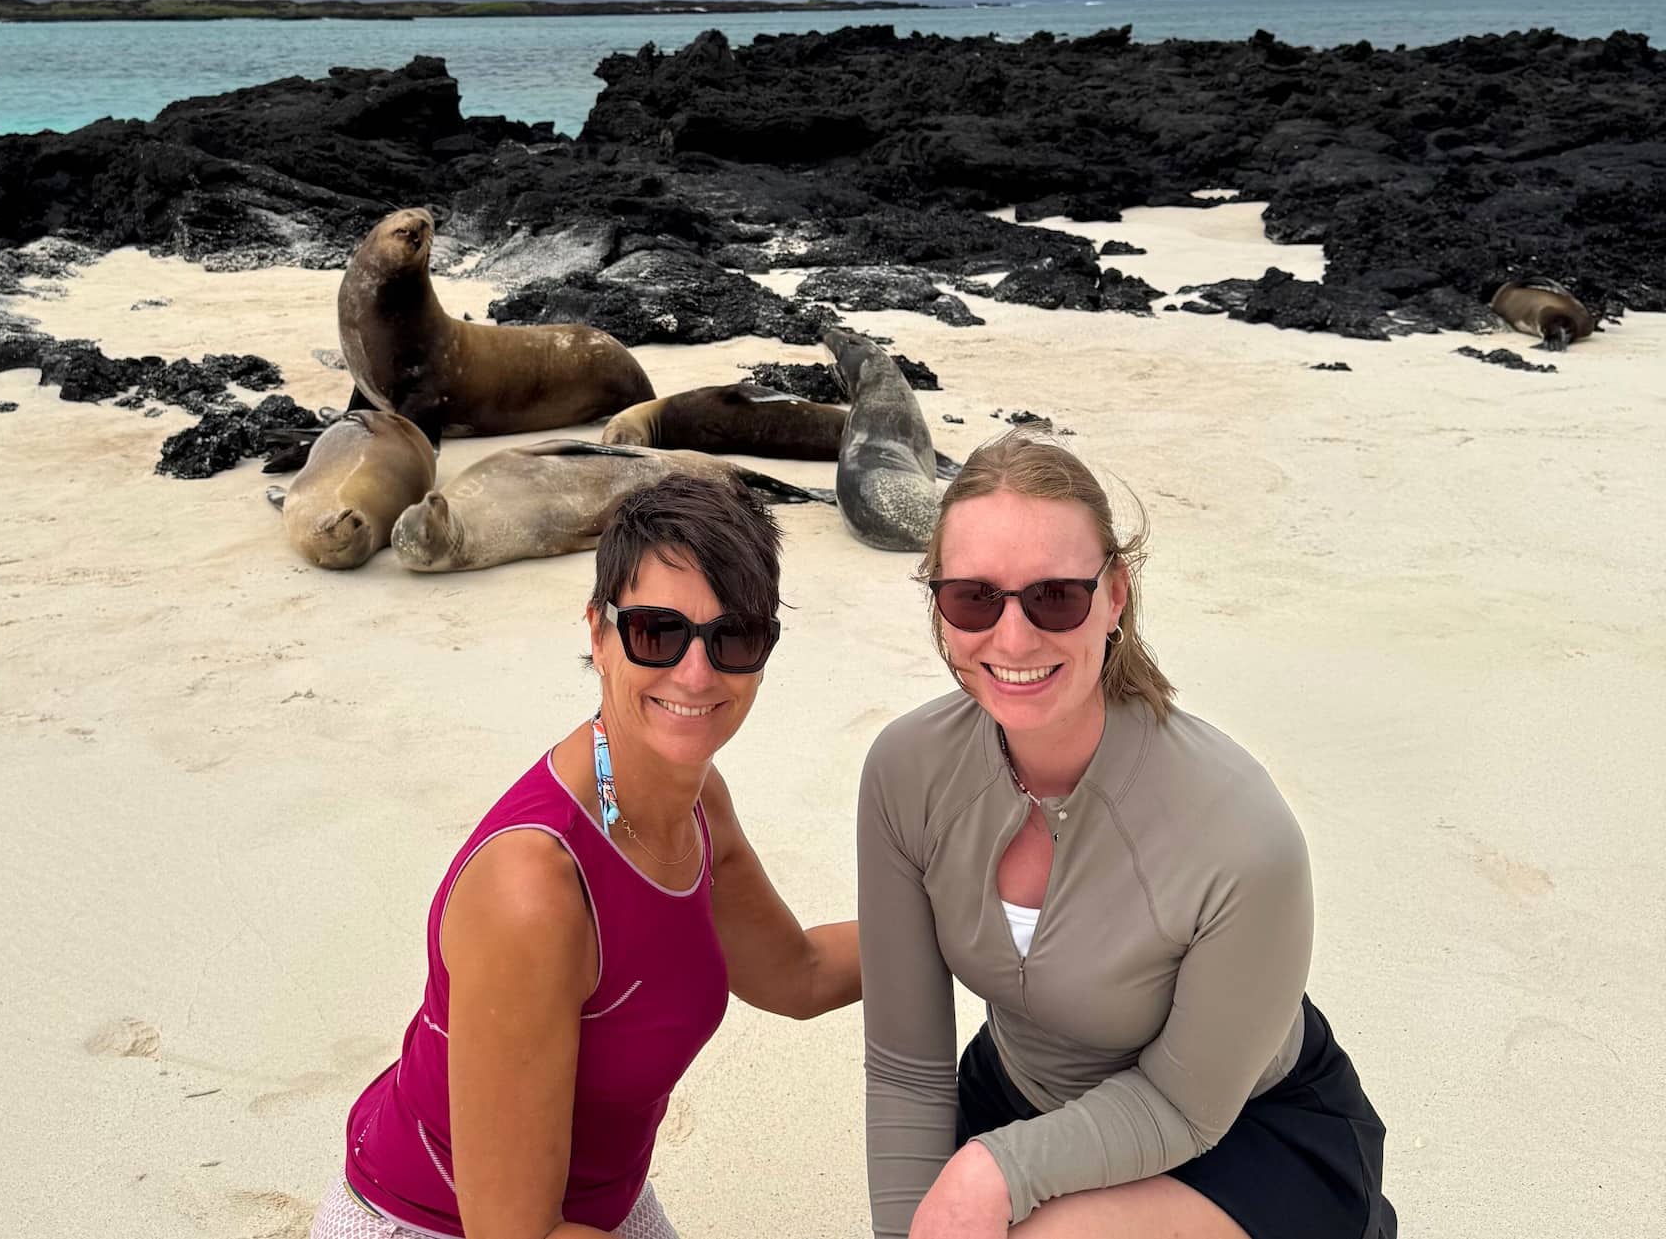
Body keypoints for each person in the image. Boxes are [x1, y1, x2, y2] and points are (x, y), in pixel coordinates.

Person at [858, 428, 1394, 1239]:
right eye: (974, 596)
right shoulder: (906, 771)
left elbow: (1185, 1103)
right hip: (1019, 1097)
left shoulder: (1241, 830)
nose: (1012, 637)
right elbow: (906, 1069)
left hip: (1235, 1130)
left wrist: (995, 1168)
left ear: (1116, 596)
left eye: (1055, 597)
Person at [313, 473, 860, 1239]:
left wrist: (974, 920)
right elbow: (516, 1234)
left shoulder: (697, 802)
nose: (696, 673)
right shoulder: (535, 888)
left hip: (595, 1209)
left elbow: (797, 972)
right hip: (431, 1224)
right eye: (656, 632)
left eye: (733, 637)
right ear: (599, 634)